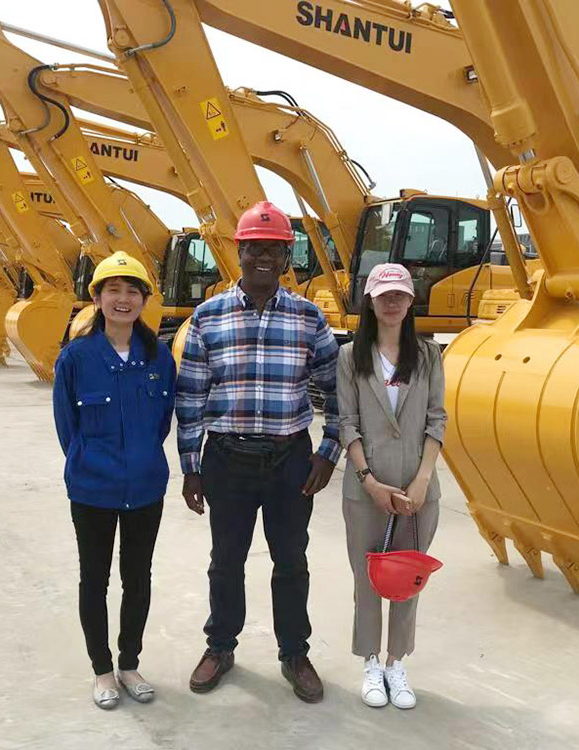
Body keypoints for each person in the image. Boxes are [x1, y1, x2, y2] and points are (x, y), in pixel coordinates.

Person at [176, 201, 341, 703]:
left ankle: (295, 652)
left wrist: (328, 451)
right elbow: (191, 398)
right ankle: (220, 646)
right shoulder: (208, 318)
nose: (264, 257)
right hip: (227, 461)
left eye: (275, 248)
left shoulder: (309, 319)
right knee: (225, 560)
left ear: (286, 256)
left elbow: (338, 394)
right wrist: (191, 467)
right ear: (239, 252)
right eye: (254, 248)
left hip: (290, 462)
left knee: (291, 560)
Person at [52, 251, 176, 709]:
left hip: (145, 488)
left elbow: (162, 421)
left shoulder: (158, 357)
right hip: (93, 490)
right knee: (94, 579)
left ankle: (129, 664)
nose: (123, 299)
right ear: (98, 298)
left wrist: (138, 458)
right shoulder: (76, 358)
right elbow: (68, 427)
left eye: (132, 291)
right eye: (113, 290)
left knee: (137, 578)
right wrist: (90, 462)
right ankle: (102, 671)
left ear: (144, 300)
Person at [336, 263, 446, 710]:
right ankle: (369, 661)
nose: (393, 302)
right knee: (367, 580)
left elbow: (436, 419)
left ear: (410, 301)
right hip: (367, 490)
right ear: (371, 301)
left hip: (418, 492)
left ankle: (395, 662)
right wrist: (369, 480)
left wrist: (421, 481)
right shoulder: (351, 357)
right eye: (385, 296)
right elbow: (347, 423)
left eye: (400, 295)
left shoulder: (427, 354)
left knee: (407, 580)